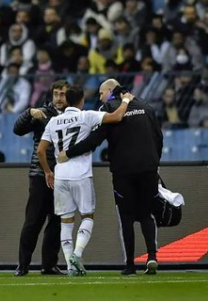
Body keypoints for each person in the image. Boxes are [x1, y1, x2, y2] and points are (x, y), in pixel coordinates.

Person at [58, 79, 162, 275]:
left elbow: (94, 140)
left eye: (101, 93)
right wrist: (155, 162)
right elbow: (158, 136)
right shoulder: (145, 106)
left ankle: (130, 265)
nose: (99, 97)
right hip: (148, 168)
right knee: (147, 214)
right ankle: (152, 257)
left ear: (109, 91)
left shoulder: (109, 109)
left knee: (126, 217)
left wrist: (69, 153)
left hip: (123, 170)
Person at [37, 85, 134, 276]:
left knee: (66, 221)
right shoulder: (86, 116)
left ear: (66, 101)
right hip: (81, 174)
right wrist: (126, 101)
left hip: (61, 174)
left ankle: (70, 266)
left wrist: (48, 171)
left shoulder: (54, 121)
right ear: (81, 101)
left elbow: (41, 150)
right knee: (87, 216)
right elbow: (116, 117)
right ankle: (77, 253)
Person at [13, 80, 69, 277]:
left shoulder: (73, 116)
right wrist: (28, 112)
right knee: (33, 221)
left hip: (63, 176)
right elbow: (17, 130)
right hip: (40, 174)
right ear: (51, 96)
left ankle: (49, 265)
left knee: (56, 222)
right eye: (56, 94)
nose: (59, 98)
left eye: (63, 94)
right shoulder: (42, 113)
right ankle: (23, 264)